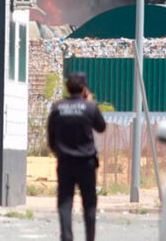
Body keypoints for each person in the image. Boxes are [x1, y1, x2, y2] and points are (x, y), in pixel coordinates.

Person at [47, 72, 107, 241]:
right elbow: (101, 127)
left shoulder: (57, 108)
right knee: (89, 204)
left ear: (67, 88)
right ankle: (90, 237)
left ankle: (67, 237)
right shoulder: (90, 107)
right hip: (86, 162)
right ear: (84, 89)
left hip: (65, 161)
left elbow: (51, 138)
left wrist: (59, 152)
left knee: (65, 202)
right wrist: (89, 102)